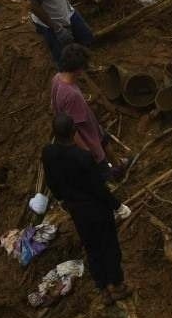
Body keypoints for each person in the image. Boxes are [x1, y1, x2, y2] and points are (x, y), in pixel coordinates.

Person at [42, 113, 132, 304]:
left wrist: (62, 201)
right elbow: (98, 189)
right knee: (109, 246)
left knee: (92, 248)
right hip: (97, 209)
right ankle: (117, 285)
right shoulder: (83, 157)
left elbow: (51, 182)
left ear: (54, 133)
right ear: (74, 132)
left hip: (76, 211)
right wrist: (118, 205)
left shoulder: (48, 153)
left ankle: (103, 290)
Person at [51, 44, 130, 181]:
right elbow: (74, 131)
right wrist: (86, 151)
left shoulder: (57, 78)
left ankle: (118, 164)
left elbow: (54, 105)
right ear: (78, 69)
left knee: (105, 142)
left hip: (91, 126)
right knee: (100, 162)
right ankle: (113, 178)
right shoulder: (71, 95)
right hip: (86, 136)